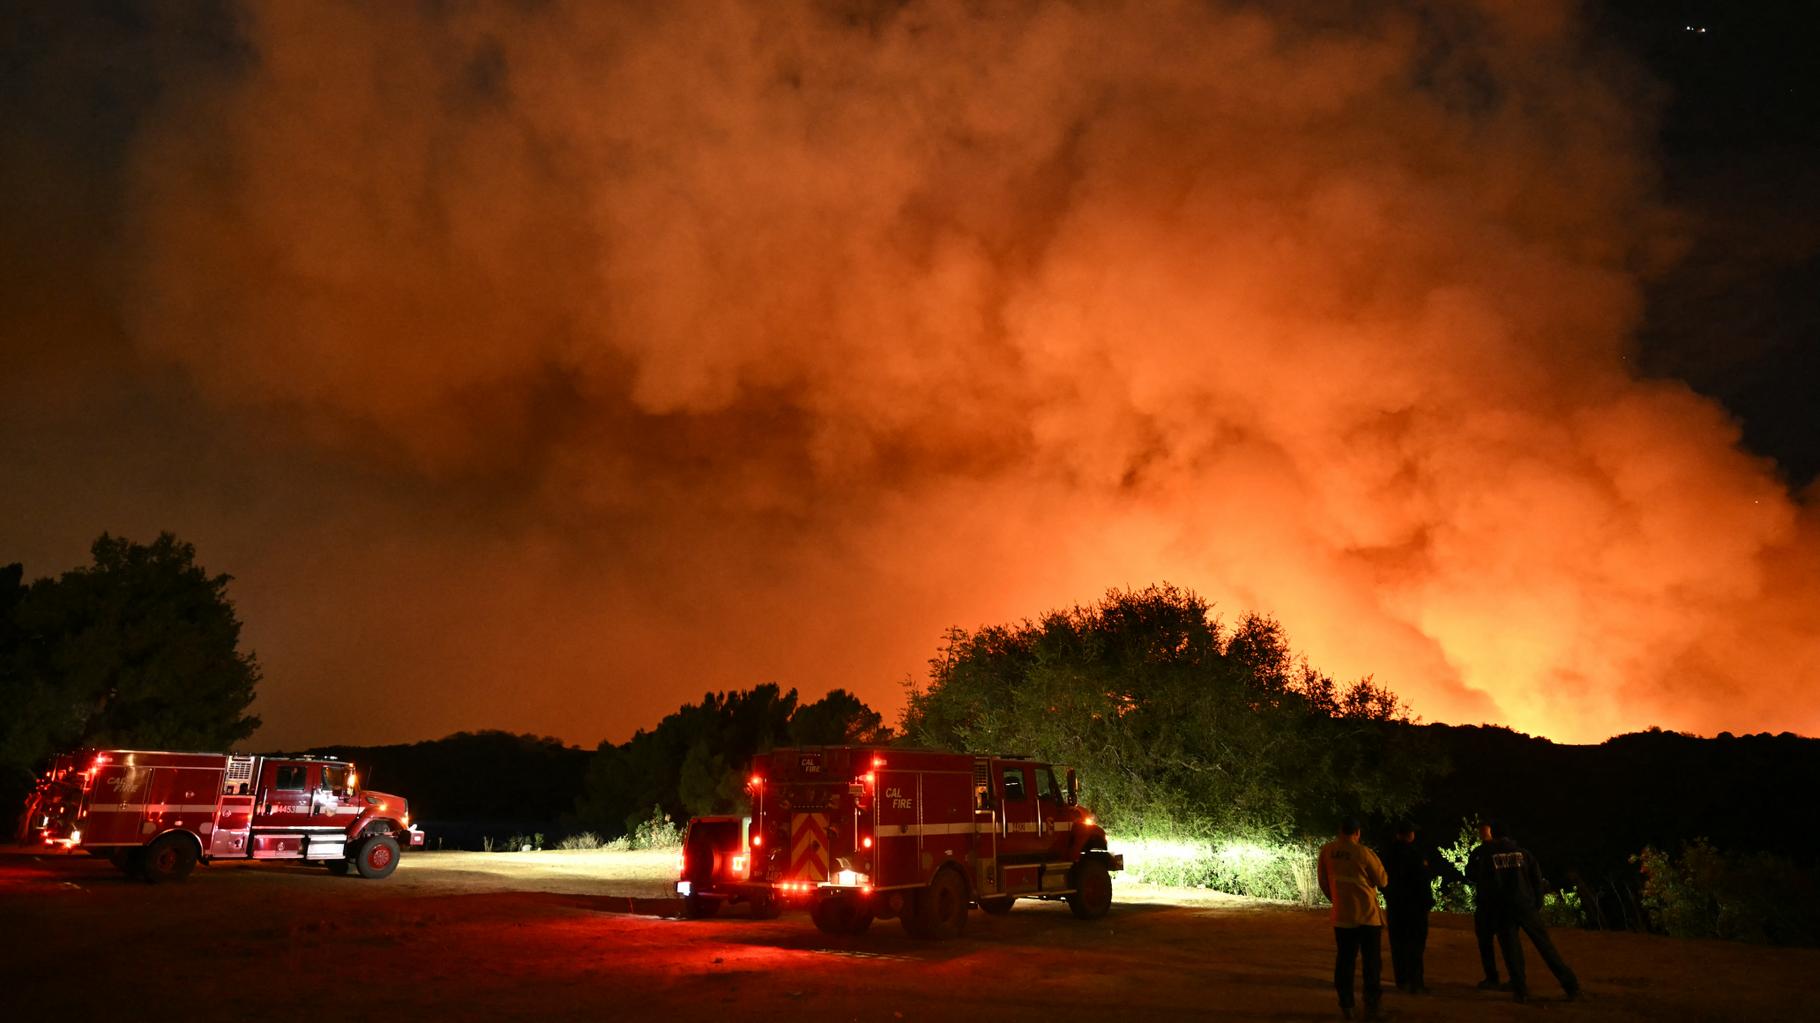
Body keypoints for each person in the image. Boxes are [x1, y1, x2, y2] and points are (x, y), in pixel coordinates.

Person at [1484, 821, 1581, 1003]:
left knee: (1511, 950)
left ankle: (1521, 991)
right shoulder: (1524, 854)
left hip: (1504, 909)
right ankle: (1571, 986)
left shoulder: (1489, 856)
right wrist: (1537, 903)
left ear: (1494, 837)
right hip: (1526, 906)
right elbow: (1537, 880)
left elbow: (1485, 885)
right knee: (1545, 946)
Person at [1319, 816, 1389, 1020]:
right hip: (1367, 916)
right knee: (1372, 962)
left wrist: (1337, 900)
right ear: (1357, 833)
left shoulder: (1327, 851)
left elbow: (1324, 881)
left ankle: (1347, 1005)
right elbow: (1383, 880)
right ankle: (1373, 1004)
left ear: (1340, 830)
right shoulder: (1364, 852)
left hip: (1342, 916)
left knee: (1344, 961)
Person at [1382, 822, 1433, 994]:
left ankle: (1401, 980)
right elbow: (1423, 880)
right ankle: (1416, 982)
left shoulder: (1387, 854)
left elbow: (1381, 880)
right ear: (1410, 834)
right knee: (1416, 944)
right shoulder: (1415, 853)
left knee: (1398, 944)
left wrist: (1389, 895)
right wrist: (1427, 903)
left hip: (1396, 906)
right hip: (1415, 907)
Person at [1465, 820, 1505, 990]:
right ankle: (1514, 977)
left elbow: (1470, 874)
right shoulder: (1503, 851)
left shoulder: (1479, 852)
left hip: (1487, 902)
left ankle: (1492, 977)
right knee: (1506, 942)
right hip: (1500, 903)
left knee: (1486, 942)